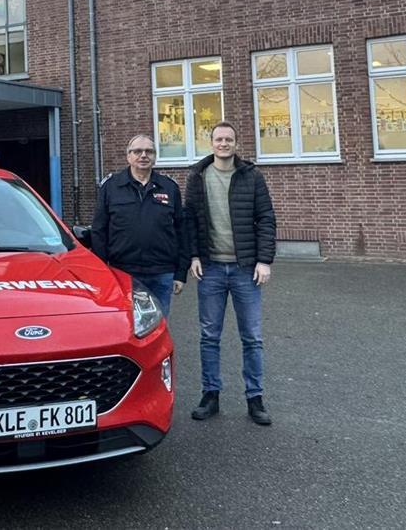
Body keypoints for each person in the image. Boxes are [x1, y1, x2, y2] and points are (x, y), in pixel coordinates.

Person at [185, 121, 276, 426]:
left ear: (236, 144)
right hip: (210, 268)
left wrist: (264, 261)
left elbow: (266, 219)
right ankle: (211, 394)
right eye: (218, 139)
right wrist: (193, 255)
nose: (223, 143)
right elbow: (191, 221)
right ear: (210, 143)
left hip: (245, 270)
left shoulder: (251, 176)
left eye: (229, 139)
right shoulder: (197, 177)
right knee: (209, 336)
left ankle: (255, 398)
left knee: (252, 337)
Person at [90, 133, 190, 313]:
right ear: (128, 156)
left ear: (155, 157)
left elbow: (182, 230)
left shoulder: (169, 187)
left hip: (162, 272)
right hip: (123, 271)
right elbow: (99, 230)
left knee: (158, 326)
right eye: (137, 151)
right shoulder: (111, 187)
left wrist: (181, 272)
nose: (143, 155)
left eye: (149, 151)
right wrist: (104, 271)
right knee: (126, 325)